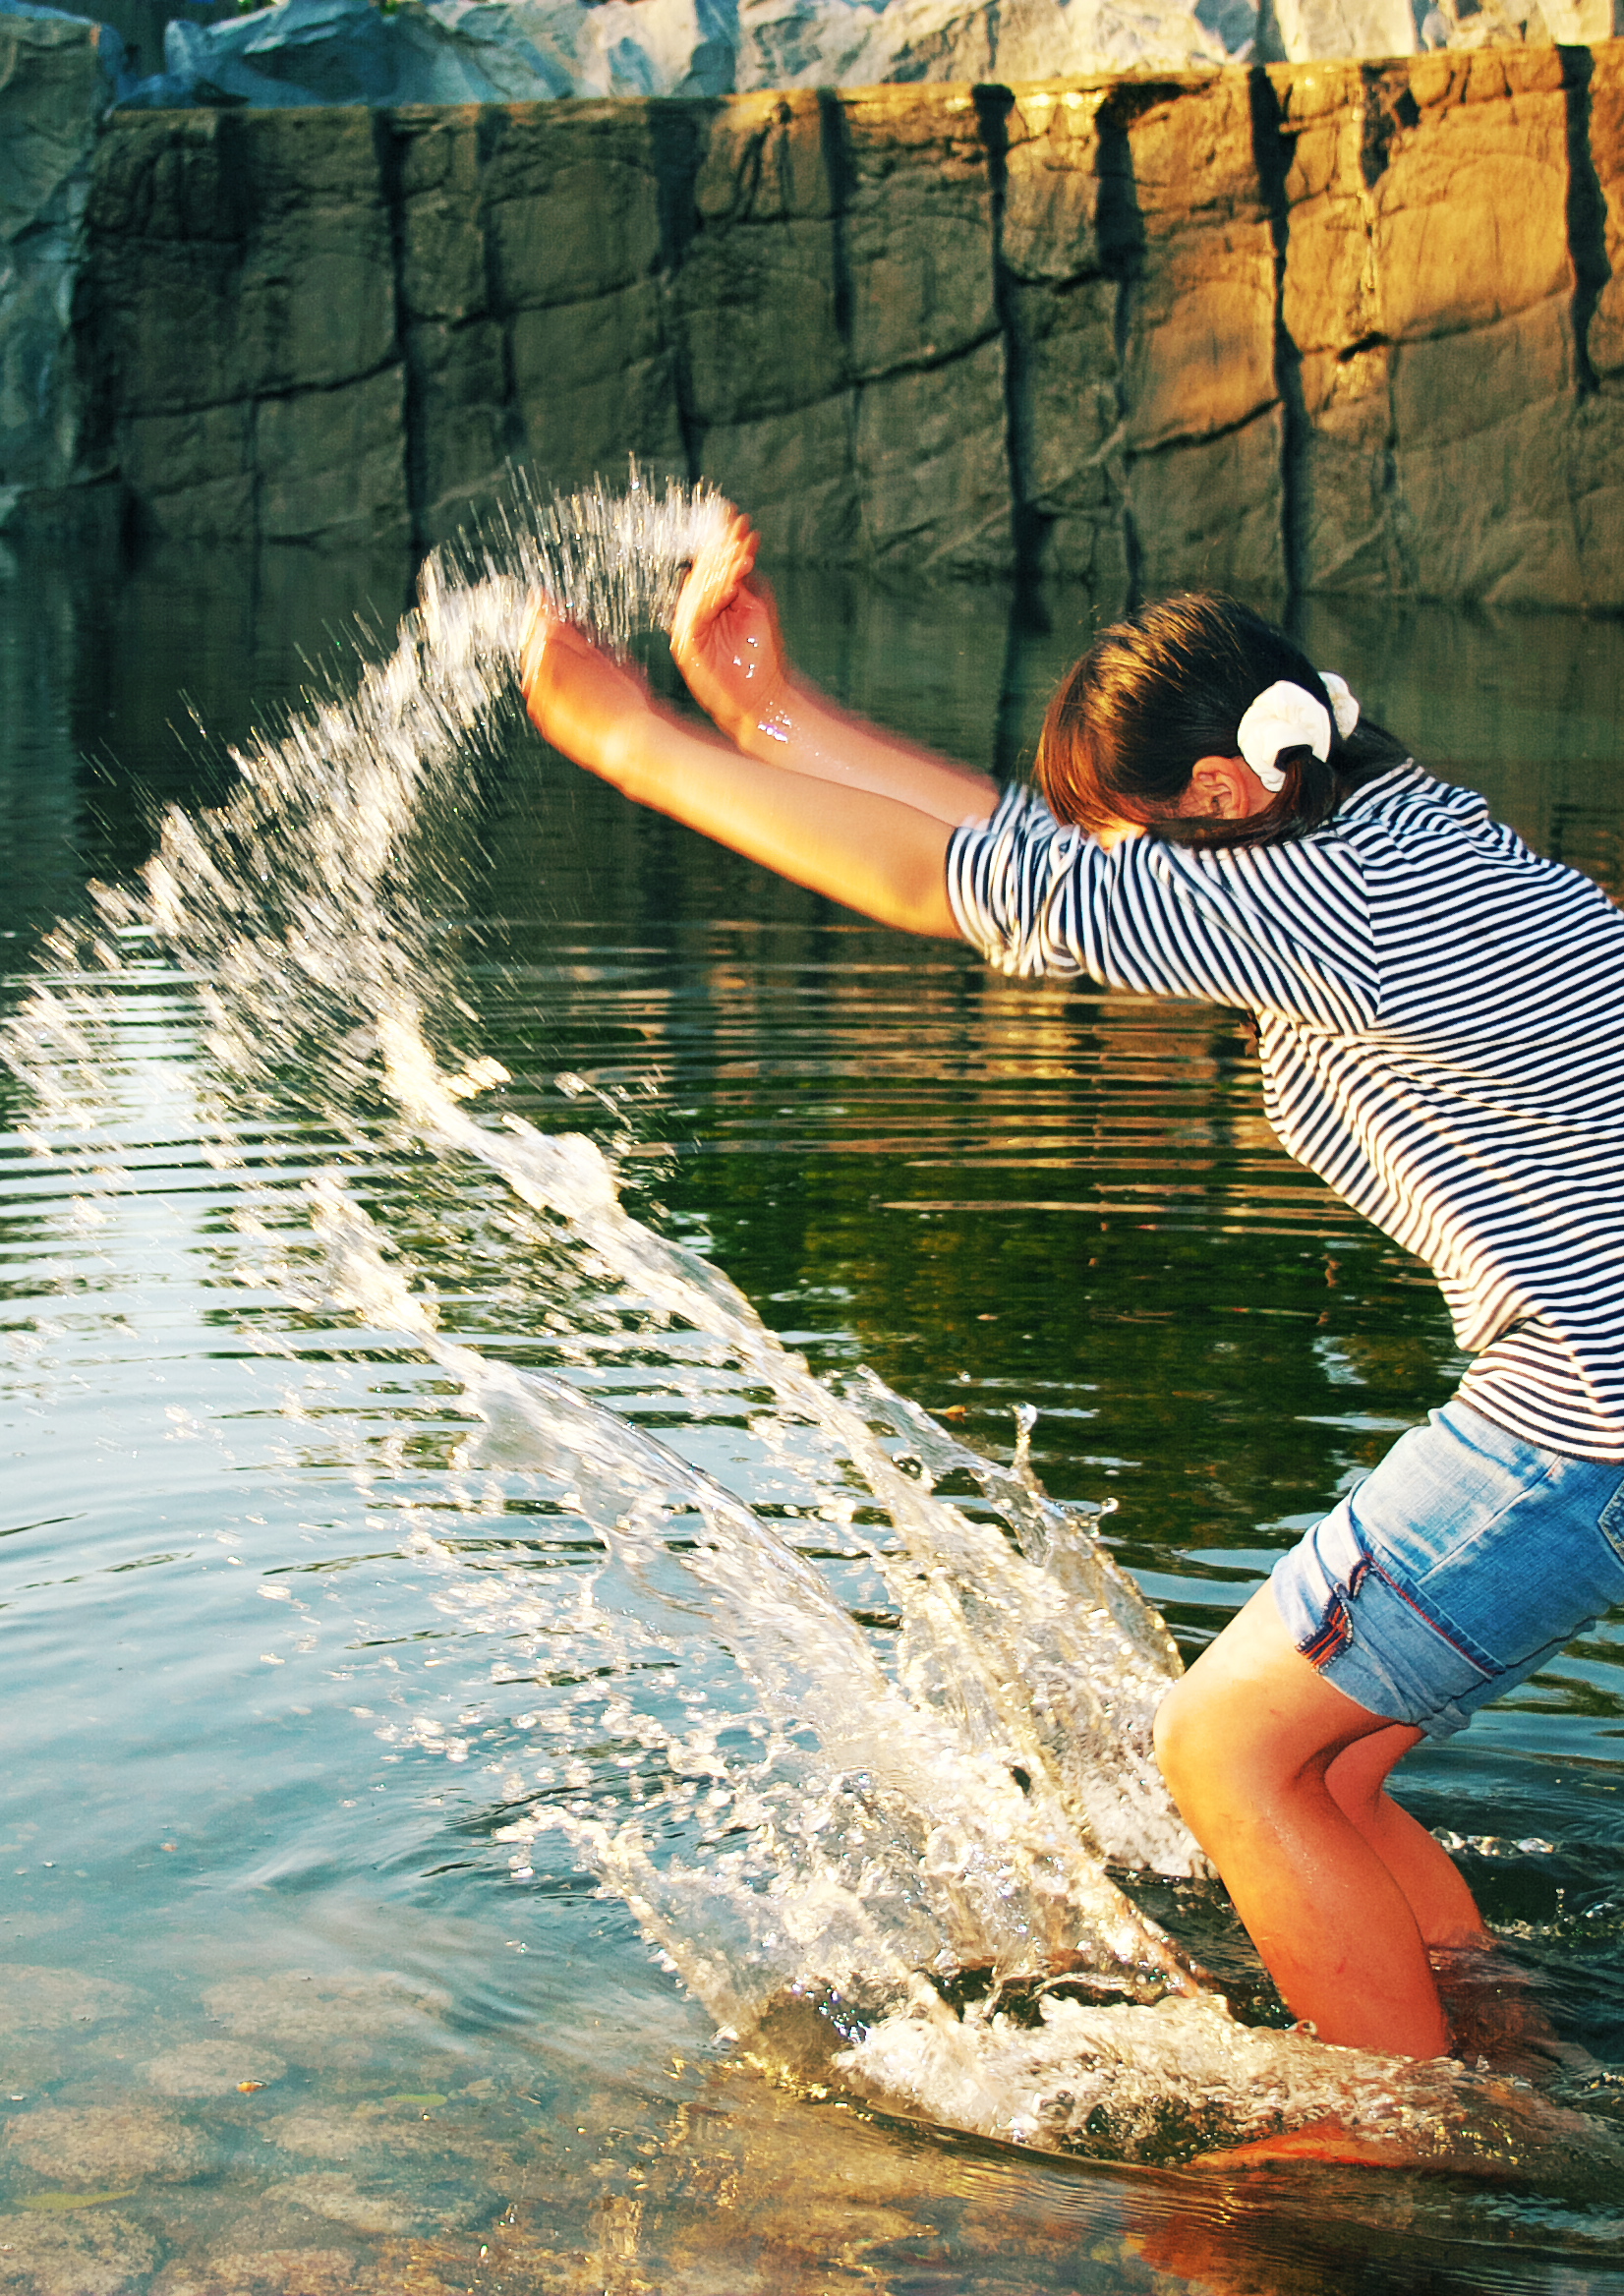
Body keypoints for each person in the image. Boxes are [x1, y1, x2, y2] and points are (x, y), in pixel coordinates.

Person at [521, 509, 1624, 2084]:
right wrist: (776, 711)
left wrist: (633, 743)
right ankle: (1487, 2034)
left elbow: (946, 884)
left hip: (1583, 1414)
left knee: (1225, 1752)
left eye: (1136, 830)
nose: (1115, 866)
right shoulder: (1383, 826)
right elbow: (1029, 861)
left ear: (1225, 795)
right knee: (1327, 1771)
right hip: (1590, 1403)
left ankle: (1397, 2133)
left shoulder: (1326, 902)